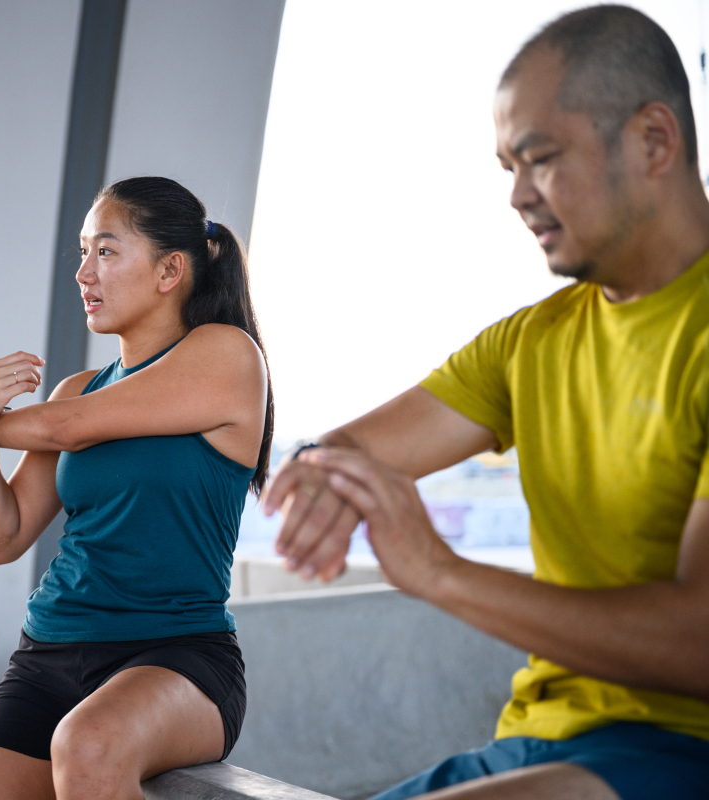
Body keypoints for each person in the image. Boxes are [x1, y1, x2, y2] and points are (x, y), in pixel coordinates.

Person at [263, 6, 709, 800]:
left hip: (683, 750)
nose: (516, 196)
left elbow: (699, 641)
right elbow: (348, 450)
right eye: (507, 166)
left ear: (653, 140)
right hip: (537, 744)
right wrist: (325, 478)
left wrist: (440, 572)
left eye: (538, 159)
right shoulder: (530, 343)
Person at [0, 176, 273, 799]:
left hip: (176, 654)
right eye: (82, 252)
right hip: (50, 653)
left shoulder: (228, 355)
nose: (83, 272)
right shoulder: (74, 389)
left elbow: (70, 429)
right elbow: (5, 536)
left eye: (105, 251)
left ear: (169, 271)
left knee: (88, 746)